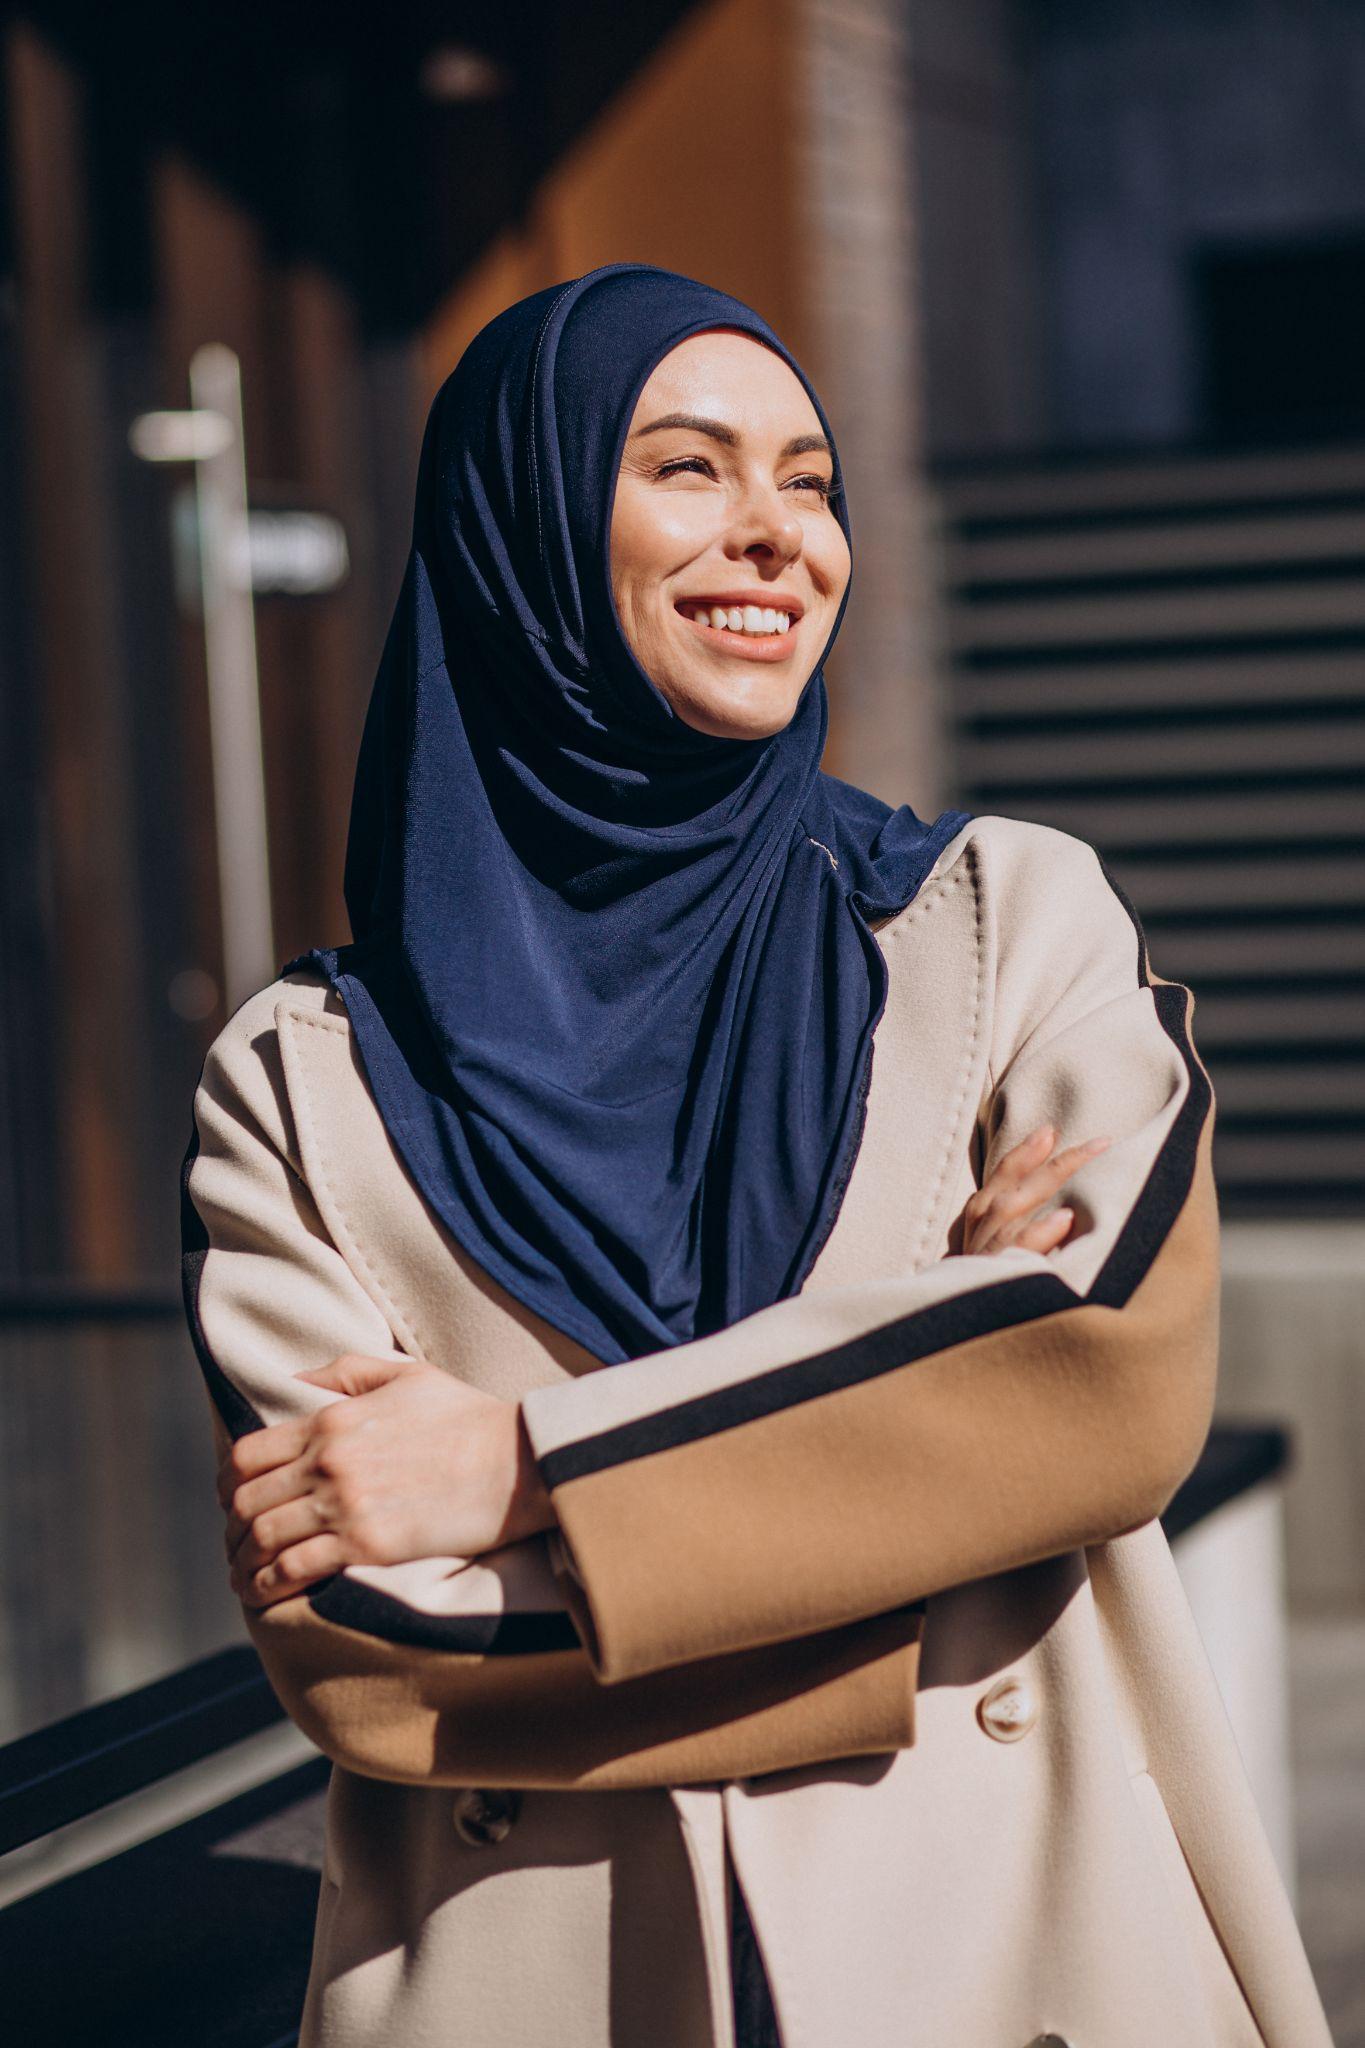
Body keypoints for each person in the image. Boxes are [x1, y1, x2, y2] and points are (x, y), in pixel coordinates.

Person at [181, 263, 1332, 2048]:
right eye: (689, 468)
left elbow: (1100, 1385)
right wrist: (930, 1488)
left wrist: (522, 1471)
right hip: (549, 1977)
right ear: (528, 526)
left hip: (1017, 1946)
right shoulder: (304, 1082)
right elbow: (384, 1654)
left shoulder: (1001, 919)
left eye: (810, 480)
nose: (778, 534)